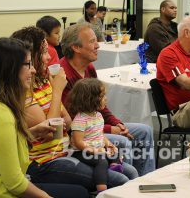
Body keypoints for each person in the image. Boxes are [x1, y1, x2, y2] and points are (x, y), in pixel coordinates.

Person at [11, 26, 133, 191]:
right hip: (47, 160)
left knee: (130, 172)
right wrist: (57, 91)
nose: (49, 57)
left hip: (65, 148)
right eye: (44, 52)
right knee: (120, 180)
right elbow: (51, 133)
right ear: (30, 58)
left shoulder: (44, 81)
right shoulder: (25, 93)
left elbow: (67, 122)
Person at [0, 37, 89, 198]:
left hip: (13, 182)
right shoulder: (0, 113)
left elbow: (2, 147)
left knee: (80, 191)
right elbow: (14, 183)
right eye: (28, 64)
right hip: (1, 192)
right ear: (10, 69)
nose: (32, 70)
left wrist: (32, 132)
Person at [60, 23, 155, 176]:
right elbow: (72, 124)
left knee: (145, 130)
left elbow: (99, 105)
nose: (98, 45)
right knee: (122, 142)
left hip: (96, 127)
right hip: (82, 136)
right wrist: (112, 129)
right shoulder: (63, 75)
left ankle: (146, 179)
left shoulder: (89, 68)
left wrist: (117, 123)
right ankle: (124, 185)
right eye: (92, 41)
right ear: (76, 48)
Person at [67, 78, 138, 193]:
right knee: (101, 161)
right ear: (90, 99)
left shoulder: (98, 115)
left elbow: (100, 134)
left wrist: (109, 145)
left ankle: (115, 166)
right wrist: (96, 151)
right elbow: (78, 142)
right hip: (81, 152)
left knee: (115, 151)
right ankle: (101, 188)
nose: (106, 99)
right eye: (102, 96)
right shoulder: (80, 120)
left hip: (97, 149)